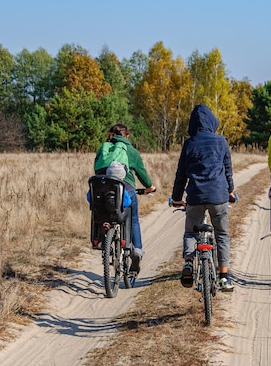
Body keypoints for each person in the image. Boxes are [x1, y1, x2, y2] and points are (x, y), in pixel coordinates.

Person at [171, 104, 237, 292]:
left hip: (195, 196)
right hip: (219, 195)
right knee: (222, 233)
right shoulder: (221, 141)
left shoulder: (189, 143)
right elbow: (228, 171)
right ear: (212, 122)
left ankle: (189, 263)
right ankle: (224, 277)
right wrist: (230, 191)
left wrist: (176, 198)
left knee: (191, 232)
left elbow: (181, 174)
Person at [94, 123, 156, 273]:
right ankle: (137, 251)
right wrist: (150, 187)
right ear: (127, 136)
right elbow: (142, 174)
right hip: (125, 189)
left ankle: (102, 237)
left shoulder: (104, 148)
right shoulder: (131, 151)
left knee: (103, 210)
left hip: (102, 190)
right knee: (133, 219)